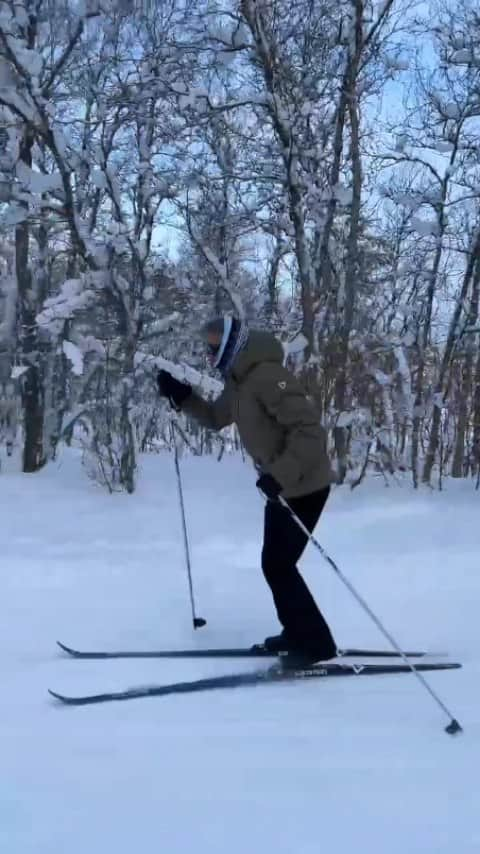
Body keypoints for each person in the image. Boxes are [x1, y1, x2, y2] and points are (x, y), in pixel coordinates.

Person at [157, 315, 337, 663]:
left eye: (214, 339)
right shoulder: (240, 382)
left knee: (278, 565)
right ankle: (298, 633)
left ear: (233, 339)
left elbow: (310, 431)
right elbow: (215, 418)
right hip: (283, 488)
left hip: (305, 485)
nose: (209, 348)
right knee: (275, 564)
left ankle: (316, 645)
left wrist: (280, 474)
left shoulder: (268, 376)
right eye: (207, 341)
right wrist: (183, 396)